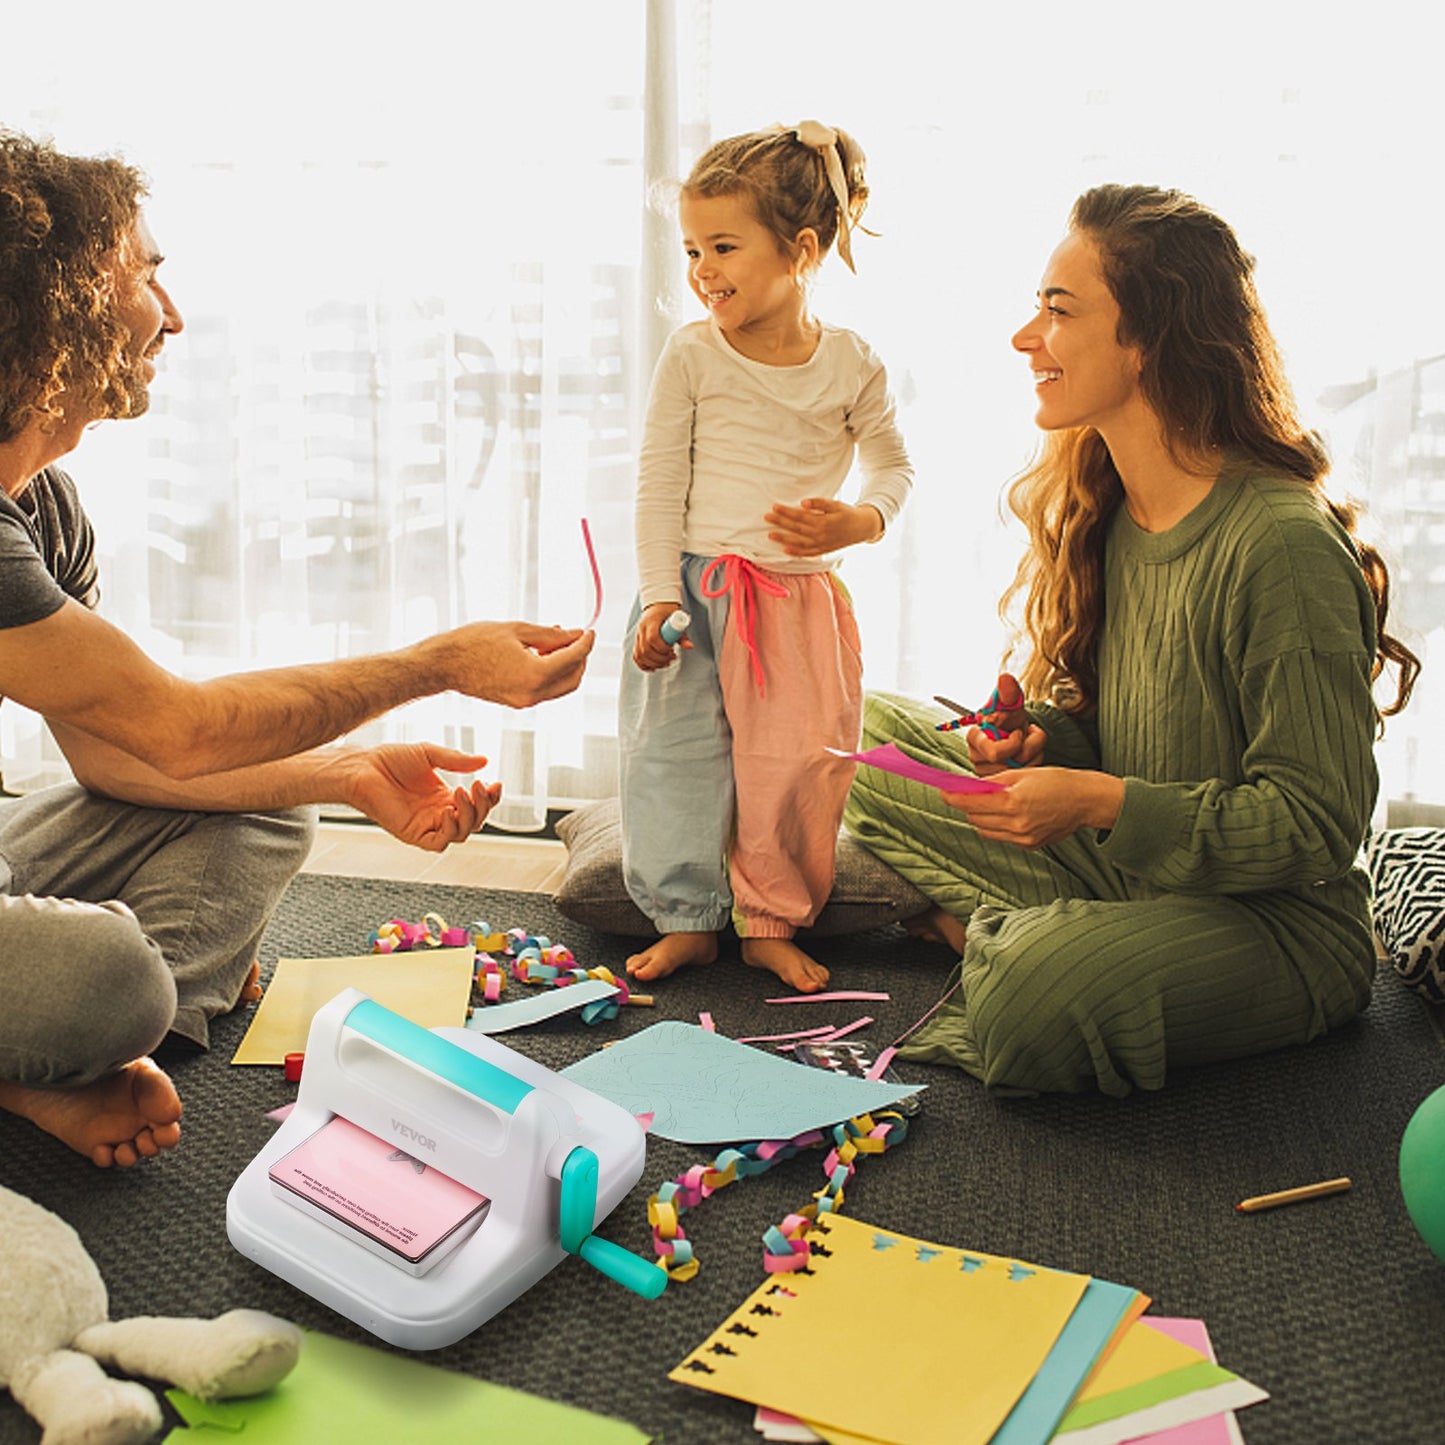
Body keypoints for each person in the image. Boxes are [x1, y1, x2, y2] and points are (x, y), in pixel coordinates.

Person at [0, 132, 593, 1165]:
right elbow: (175, 730)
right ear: (65, 301)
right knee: (111, 979)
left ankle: (77, 1049)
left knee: (266, 797)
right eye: (148, 274)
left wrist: (351, 773)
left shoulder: (45, 504)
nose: (172, 316)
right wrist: (438, 664)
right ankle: (48, 1055)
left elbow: (111, 757)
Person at [843, 183, 1420, 1096]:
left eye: (1056, 311)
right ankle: (1034, 931)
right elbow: (1125, 733)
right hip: (1137, 872)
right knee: (866, 741)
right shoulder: (1112, 505)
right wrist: (1042, 741)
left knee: (1033, 991)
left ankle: (1006, 941)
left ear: (1148, 341)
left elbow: (1315, 825)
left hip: (1275, 927)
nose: (1024, 336)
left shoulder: (1279, 544)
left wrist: (1100, 802)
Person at [618, 121, 913, 992]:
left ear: (801, 250)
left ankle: (769, 918)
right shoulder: (693, 353)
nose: (701, 268)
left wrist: (860, 521)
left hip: (793, 602)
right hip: (688, 594)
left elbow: (893, 465)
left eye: (722, 246)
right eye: (690, 248)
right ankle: (686, 917)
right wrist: (652, 597)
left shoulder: (850, 363)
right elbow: (657, 483)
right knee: (673, 756)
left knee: (793, 766)